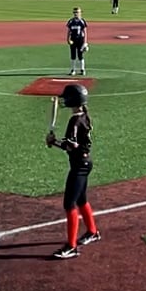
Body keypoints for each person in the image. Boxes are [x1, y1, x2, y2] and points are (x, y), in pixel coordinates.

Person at [45, 84, 99, 259]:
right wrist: (56, 142)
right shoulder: (84, 116)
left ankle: (71, 246)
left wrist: (53, 142)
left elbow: (71, 146)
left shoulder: (74, 120)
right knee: (81, 199)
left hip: (79, 166)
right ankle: (92, 232)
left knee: (69, 204)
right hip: (85, 163)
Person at [66, 6, 89, 76]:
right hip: (73, 40)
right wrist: (68, 39)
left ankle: (82, 69)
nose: (76, 14)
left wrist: (85, 42)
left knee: (80, 55)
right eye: (74, 12)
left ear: (80, 13)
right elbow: (69, 31)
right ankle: (73, 70)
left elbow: (85, 32)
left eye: (77, 12)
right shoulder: (71, 21)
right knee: (73, 55)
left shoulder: (82, 21)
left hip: (80, 40)